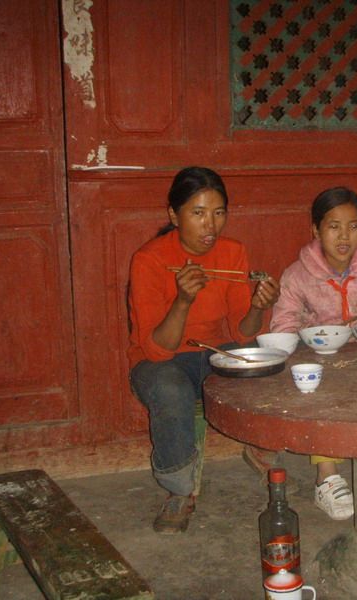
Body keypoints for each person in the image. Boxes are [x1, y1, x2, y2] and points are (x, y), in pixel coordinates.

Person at [128, 166, 280, 534]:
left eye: (218, 213)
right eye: (198, 213)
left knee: (261, 358)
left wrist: (259, 306)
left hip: (210, 353)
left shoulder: (233, 252)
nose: (210, 225)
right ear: (173, 215)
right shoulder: (149, 259)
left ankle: (260, 445)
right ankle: (180, 490)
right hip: (157, 363)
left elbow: (241, 334)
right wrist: (183, 301)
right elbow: (159, 350)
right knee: (170, 388)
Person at [270, 187, 357, 520]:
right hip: (318, 360)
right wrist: (307, 340)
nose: (344, 236)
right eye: (333, 226)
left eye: (353, 226)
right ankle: (327, 477)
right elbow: (283, 328)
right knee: (319, 388)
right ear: (316, 230)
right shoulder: (297, 276)